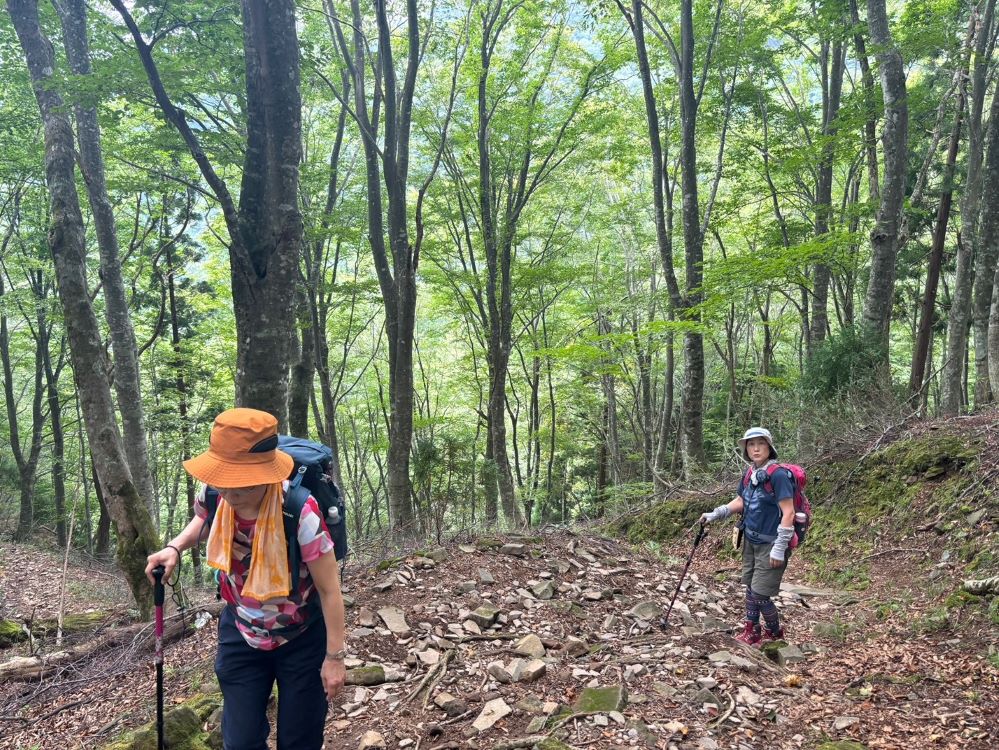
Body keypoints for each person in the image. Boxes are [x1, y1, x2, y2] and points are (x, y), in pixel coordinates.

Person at [145, 408, 346, 750]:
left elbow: (329, 592)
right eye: (223, 481)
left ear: (266, 475)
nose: (229, 493)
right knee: (240, 742)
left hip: (301, 636)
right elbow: (203, 519)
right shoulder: (216, 492)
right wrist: (175, 547)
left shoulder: (300, 510)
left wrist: (334, 658)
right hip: (241, 630)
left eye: (240, 485)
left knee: (299, 741)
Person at [699, 426, 795, 645]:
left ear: (769, 447)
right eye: (751, 444)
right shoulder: (750, 473)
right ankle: (751, 630)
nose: (756, 448)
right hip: (751, 540)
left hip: (771, 543)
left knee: (760, 594)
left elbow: (788, 512)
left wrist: (780, 547)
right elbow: (741, 501)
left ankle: (774, 632)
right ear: (746, 449)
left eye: (761, 444)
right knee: (751, 588)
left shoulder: (779, 475)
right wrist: (716, 513)